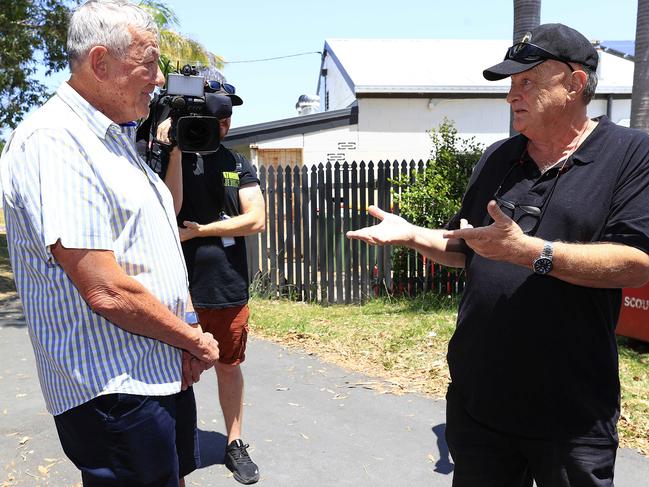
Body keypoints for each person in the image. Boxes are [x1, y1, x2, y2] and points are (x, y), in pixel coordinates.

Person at [347, 23, 649, 487]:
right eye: (511, 84)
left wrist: (530, 253)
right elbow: (469, 250)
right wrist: (411, 234)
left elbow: (634, 263)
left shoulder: (630, 154)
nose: (512, 95)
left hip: (569, 414)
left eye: (527, 81)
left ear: (575, 83)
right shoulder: (498, 158)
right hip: (480, 404)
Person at [0, 1, 220, 486]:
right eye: (149, 63)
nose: (160, 79)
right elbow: (105, 288)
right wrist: (193, 339)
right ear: (100, 63)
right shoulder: (55, 140)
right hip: (114, 387)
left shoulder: (113, 137)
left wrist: (180, 334)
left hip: (152, 370)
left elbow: (148, 251)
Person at [154, 79, 265, 485]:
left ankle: (234, 442)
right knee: (173, 369)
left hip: (225, 283)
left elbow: (256, 218)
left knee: (227, 365)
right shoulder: (169, 155)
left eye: (227, 116)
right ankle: (177, 452)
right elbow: (172, 207)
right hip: (176, 284)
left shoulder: (237, 163)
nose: (223, 123)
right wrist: (177, 149)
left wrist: (200, 231)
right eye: (215, 116)